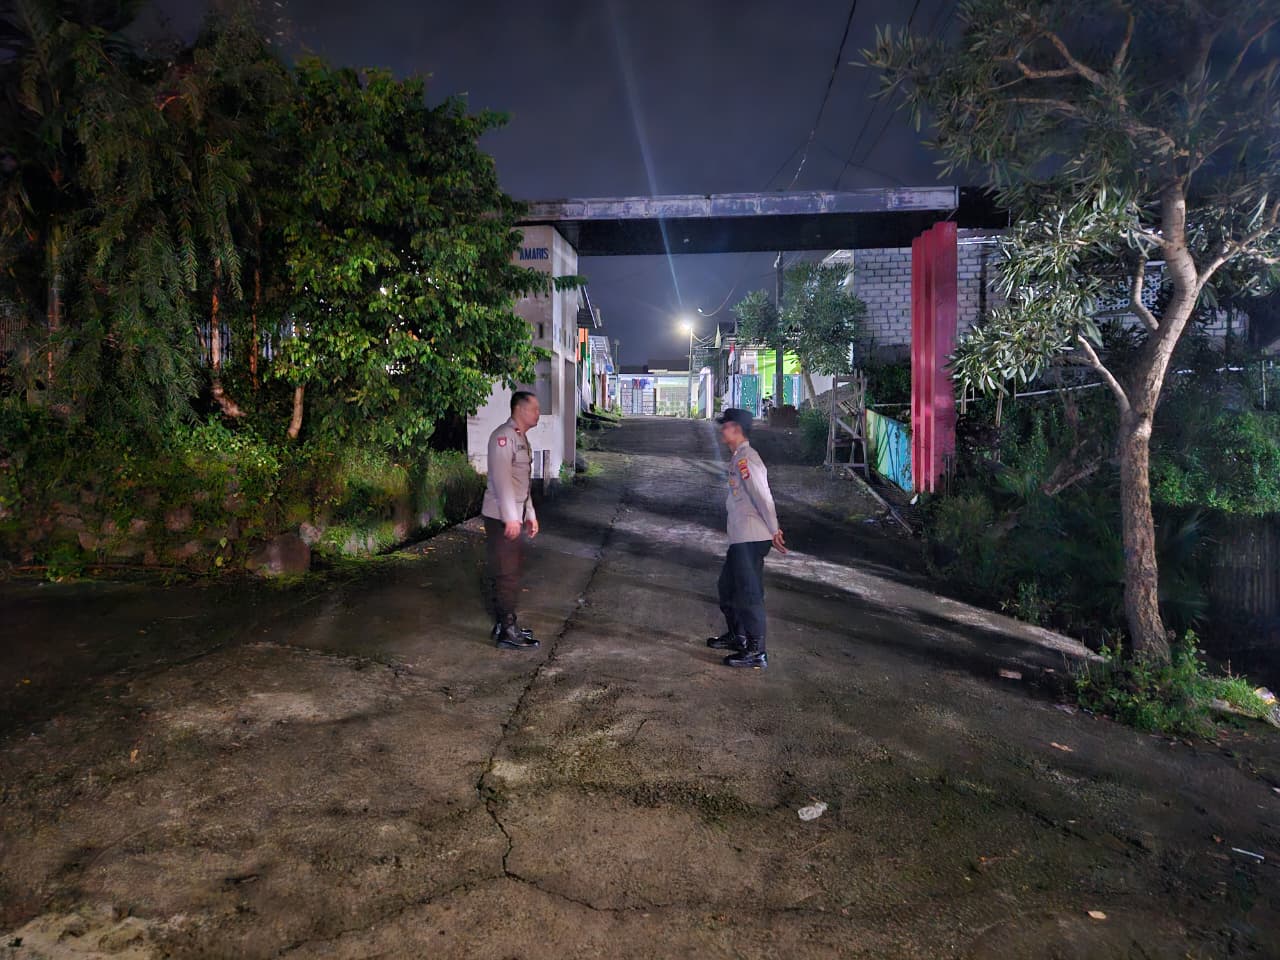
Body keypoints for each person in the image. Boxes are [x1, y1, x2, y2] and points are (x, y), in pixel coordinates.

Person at [706, 408, 787, 668]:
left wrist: (774, 530)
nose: (722, 429)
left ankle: (756, 651)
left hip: (751, 537)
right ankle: (737, 636)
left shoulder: (747, 459)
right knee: (727, 588)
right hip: (741, 537)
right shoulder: (738, 458)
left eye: (726, 425)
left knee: (748, 593)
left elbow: (763, 497)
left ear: (737, 429)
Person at [482, 391, 541, 650]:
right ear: (520, 409)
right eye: (534, 409)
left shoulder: (521, 439)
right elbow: (502, 480)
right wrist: (511, 518)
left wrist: (530, 515)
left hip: (513, 516)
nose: (538, 414)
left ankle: (504, 623)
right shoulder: (503, 437)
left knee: (509, 572)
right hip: (500, 518)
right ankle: (507, 630)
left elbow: (522, 484)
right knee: (507, 574)